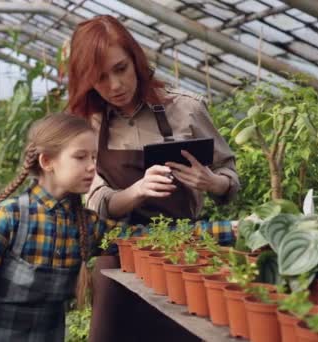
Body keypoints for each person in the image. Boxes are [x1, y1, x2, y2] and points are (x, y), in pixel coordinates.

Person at [66, 15, 240, 342]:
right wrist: (135, 192)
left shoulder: (184, 110)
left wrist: (212, 182)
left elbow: (230, 175)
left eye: (120, 69)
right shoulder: (91, 122)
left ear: (136, 60)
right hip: (117, 256)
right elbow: (93, 196)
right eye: (100, 78)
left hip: (183, 252)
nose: (115, 86)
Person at [0, 113, 141, 342]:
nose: (92, 167)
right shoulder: (8, 217)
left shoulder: (86, 226)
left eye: (94, 157)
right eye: (80, 157)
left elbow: (136, 239)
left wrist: (195, 231)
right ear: (46, 162)